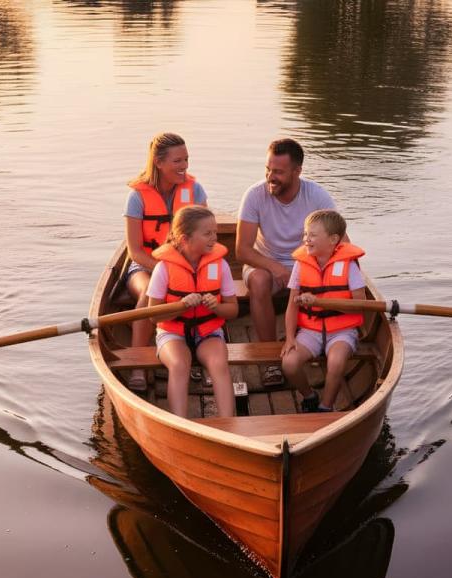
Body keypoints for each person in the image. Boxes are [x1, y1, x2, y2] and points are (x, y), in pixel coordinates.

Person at [235, 138, 337, 386]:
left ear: (297, 171)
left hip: (305, 264)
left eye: (278, 172)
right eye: (268, 169)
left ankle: (319, 345)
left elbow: (340, 243)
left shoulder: (317, 196)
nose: (271, 176)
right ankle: (270, 360)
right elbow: (242, 250)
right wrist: (275, 267)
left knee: (330, 281)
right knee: (258, 281)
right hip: (265, 263)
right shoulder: (254, 195)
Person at [124, 132, 208, 392]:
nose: (184, 166)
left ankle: (204, 356)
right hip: (145, 265)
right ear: (159, 163)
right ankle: (138, 365)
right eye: (177, 161)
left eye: (186, 160)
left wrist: (188, 269)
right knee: (147, 293)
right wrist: (165, 269)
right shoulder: (137, 197)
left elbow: (208, 238)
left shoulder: (194, 190)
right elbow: (134, 250)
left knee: (210, 296)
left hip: (190, 265)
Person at [147, 206, 239, 418]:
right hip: (173, 333)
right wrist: (181, 305)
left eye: (215, 232)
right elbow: (153, 315)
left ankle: (228, 423)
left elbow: (232, 310)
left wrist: (216, 307)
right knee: (180, 364)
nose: (214, 238)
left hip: (208, 332)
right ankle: (180, 424)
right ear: (185, 238)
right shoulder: (164, 268)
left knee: (218, 363)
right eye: (207, 233)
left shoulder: (221, 265)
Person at [281, 209, 366, 412]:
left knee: (336, 361)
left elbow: (361, 303)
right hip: (311, 331)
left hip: (342, 331)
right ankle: (310, 395)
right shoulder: (302, 265)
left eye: (312, 235)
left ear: (333, 239)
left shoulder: (349, 266)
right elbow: (292, 305)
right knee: (289, 363)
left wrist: (319, 301)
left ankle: (325, 406)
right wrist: (290, 338)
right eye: (305, 234)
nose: (306, 239)